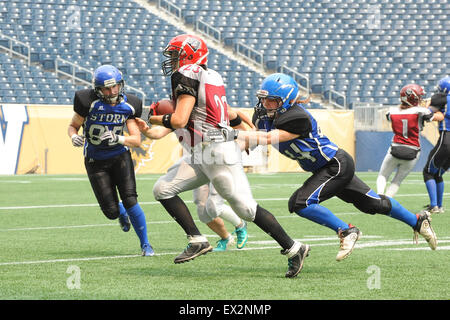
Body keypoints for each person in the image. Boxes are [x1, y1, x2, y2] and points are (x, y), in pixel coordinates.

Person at [147, 34, 310, 278]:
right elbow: (221, 113)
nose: (172, 60)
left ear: (189, 54)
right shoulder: (211, 75)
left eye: (174, 54)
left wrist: (152, 116)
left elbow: (180, 119)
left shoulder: (188, 73)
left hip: (216, 151)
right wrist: (245, 129)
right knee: (162, 189)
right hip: (204, 150)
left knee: (245, 209)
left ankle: (294, 248)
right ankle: (197, 240)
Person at [237, 73, 438, 261]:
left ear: (286, 101)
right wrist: (242, 140)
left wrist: (237, 136)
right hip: (326, 167)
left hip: (335, 165)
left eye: (271, 100)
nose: (265, 104)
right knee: (372, 204)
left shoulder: (298, 117)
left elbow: (266, 137)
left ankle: (346, 230)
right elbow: (256, 137)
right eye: (263, 99)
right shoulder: (264, 115)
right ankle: (417, 220)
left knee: (300, 203)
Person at [136, 105, 252, 252]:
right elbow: (157, 133)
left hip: (219, 159)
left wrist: (248, 132)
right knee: (203, 211)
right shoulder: (177, 118)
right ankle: (226, 238)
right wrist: (145, 129)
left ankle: (241, 225)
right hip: (198, 159)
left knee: (213, 207)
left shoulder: (200, 109)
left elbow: (233, 112)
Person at [67, 64, 154, 256]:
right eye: (107, 88)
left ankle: (146, 244)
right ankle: (119, 211)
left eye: (115, 86)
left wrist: (118, 138)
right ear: (98, 89)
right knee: (111, 212)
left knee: (131, 199)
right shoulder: (87, 101)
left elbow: (136, 140)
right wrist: (74, 136)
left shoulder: (130, 105)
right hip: (95, 160)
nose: (112, 91)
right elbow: (73, 126)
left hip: (119, 157)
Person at [376, 84, 443, 198]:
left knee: (383, 175)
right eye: (419, 97)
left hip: (395, 149)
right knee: (397, 180)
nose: (420, 99)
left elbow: (398, 111)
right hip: (413, 151)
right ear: (414, 99)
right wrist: (433, 109)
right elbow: (439, 117)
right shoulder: (421, 111)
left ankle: (380, 196)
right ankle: (387, 202)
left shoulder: (391, 111)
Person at [422, 76, 450, 214]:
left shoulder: (442, 97)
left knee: (428, 172)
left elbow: (427, 111)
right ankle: (438, 206)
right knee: (437, 173)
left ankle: (434, 205)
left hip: (447, 138)